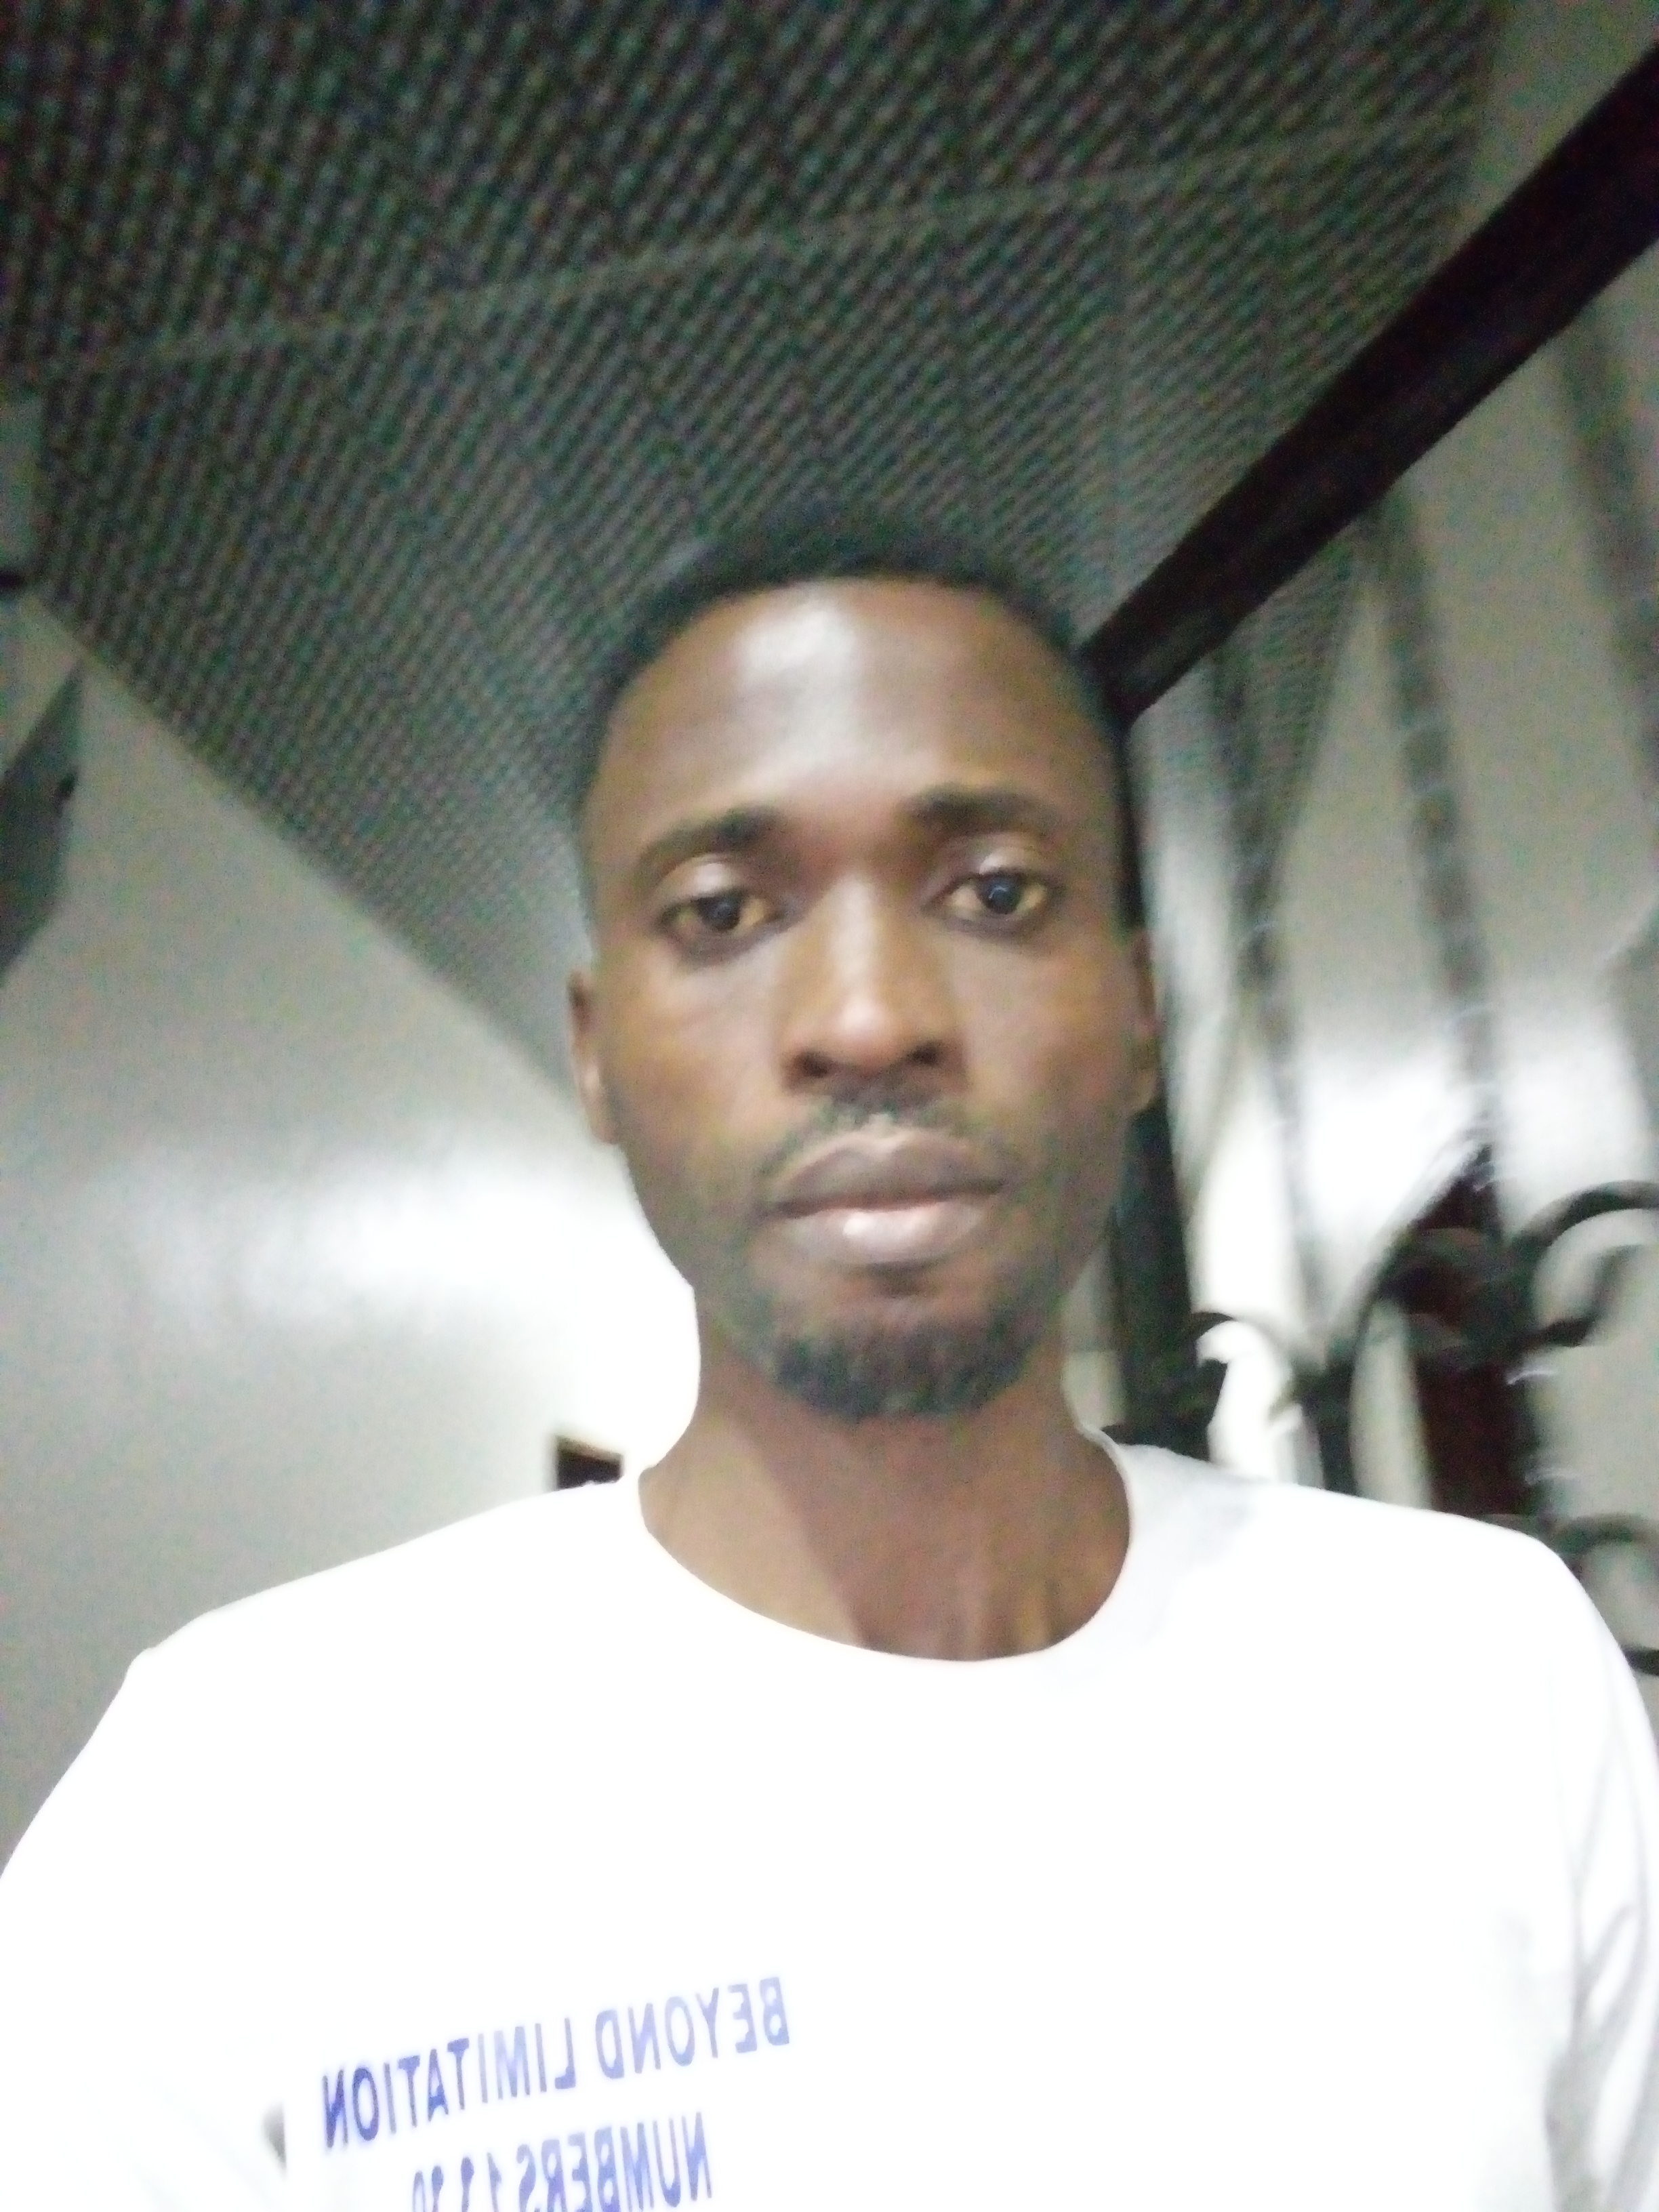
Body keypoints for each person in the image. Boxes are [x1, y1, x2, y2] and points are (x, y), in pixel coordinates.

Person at [1, 512, 1656, 2212]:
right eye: (723, 912)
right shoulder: (235, 1797)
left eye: (996, 893)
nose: (869, 1019)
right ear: (597, 1055)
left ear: (1138, 1012)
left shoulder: (1485, 1676)